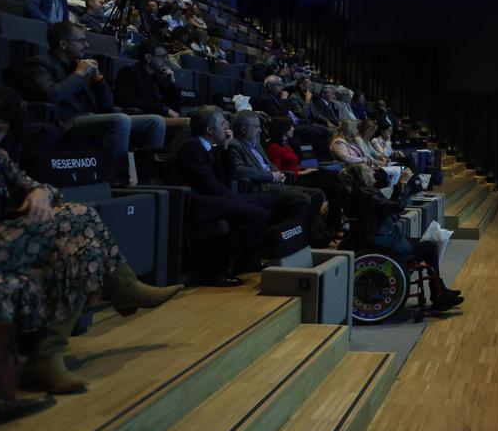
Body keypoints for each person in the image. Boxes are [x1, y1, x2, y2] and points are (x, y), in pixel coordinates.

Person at [0, 89, 182, 394]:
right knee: (79, 215)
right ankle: (125, 289)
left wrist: (37, 193)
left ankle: (48, 356)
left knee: (83, 249)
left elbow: (34, 184)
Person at [13, 22, 166, 182]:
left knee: (156, 122)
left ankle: (147, 176)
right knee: (120, 120)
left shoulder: (79, 65)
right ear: (63, 44)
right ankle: (114, 178)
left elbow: (107, 104)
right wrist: (79, 74)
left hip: (91, 116)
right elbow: (51, 95)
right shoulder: (40, 64)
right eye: (80, 41)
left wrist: (98, 78)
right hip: (65, 120)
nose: (86, 45)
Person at [171, 106, 273, 285]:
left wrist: (225, 149)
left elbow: (229, 177)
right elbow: (209, 185)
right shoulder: (191, 147)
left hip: (214, 198)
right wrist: (236, 200)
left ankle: (245, 259)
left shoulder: (212, 147)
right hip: (196, 202)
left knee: (268, 200)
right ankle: (218, 268)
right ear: (209, 130)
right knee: (259, 214)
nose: (227, 126)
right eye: (222, 122)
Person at [340, 163, 463, 311]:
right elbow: (397, 206)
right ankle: (438, 294)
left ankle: (439, 290)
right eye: (369, 170)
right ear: (363, 176)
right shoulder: (364, 194)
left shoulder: (364, 192)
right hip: (382, 242)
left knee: (426, 243)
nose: (373, 171)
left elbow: (388, 206)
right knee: (430, 247)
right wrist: (404, 184)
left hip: (384, 237)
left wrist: (399, 185)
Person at [227, 111, 330, 246]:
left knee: (317, 194)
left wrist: (277, 173)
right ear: (243, 129)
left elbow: (268, 164)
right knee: (301, 199)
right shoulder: (235, 145)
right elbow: (239, 170)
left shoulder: (256, 144)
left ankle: (303, 235)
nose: (260, 130)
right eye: (256, 127)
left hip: (276, 183)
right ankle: (282, 240)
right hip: (260, 188)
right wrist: (271, 176)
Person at [113, 39, 186, 132]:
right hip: (145, 119)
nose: (166, 60)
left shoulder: (158, 76)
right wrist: (162, 109)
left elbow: (176, 109)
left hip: (161, 117)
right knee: (188, 124)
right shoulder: (129, 72)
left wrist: (173, 84)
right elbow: (125, 100)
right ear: (148, 57)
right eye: (162, 56)